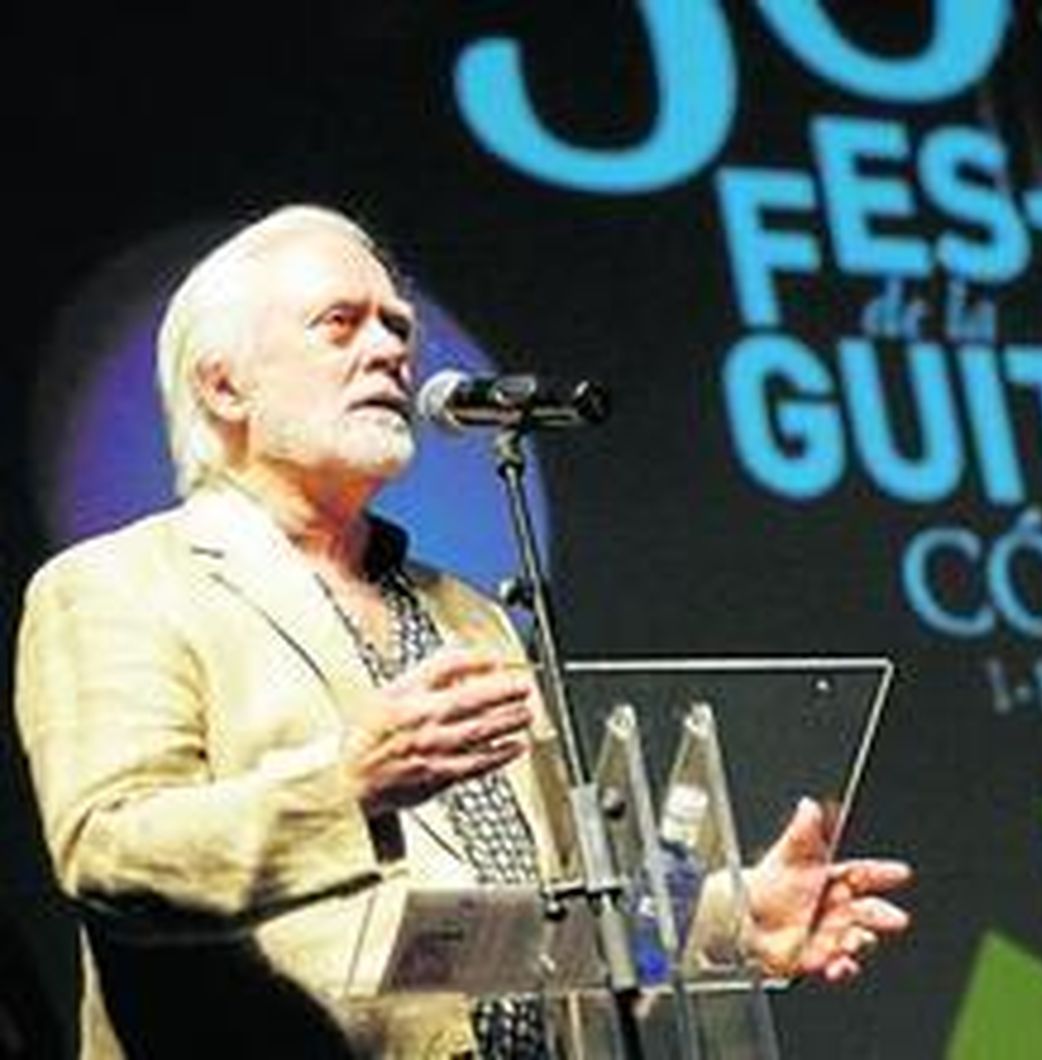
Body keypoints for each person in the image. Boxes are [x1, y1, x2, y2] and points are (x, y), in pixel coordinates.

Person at [13, 204, 911, 1058]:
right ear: (223, 383)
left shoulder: (469, 618)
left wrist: (732, 917)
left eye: (398, 327)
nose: (391, 351)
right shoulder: (119, 586)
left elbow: (548, 922)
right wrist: (346, 786)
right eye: (341, 324)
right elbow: (111, 855)